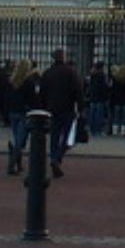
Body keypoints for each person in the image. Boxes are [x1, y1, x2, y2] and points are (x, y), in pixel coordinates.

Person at [38, 49, 83, 178]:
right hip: (67, 108)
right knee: (68, 137)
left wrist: (43, 107)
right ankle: (58, 157)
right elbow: (78, 90)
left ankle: (53, 157)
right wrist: (80, 107)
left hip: (51, 109)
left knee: (54, 136)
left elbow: (42, 92)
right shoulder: (71, 72)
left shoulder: (48, 73)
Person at [4, 58, 41, 176]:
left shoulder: (12, 81)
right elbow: (33, 99)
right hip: (24, 113)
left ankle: (18, 163)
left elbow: (7, 98)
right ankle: (11, 164)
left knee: (18, 139)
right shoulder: (28, 82)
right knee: (21, 141)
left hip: (13, 112)